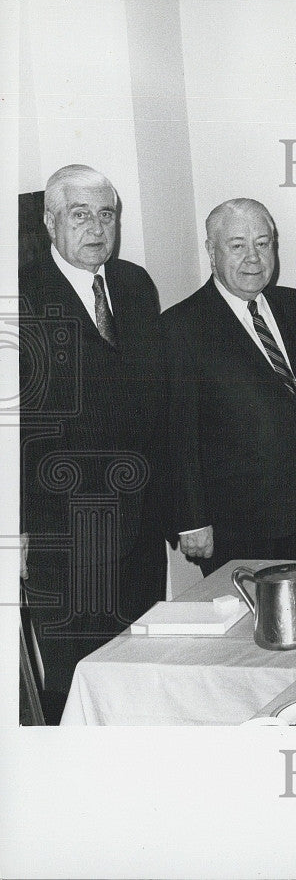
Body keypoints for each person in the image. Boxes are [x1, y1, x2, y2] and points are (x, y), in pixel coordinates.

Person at [19, 164, 167, 723]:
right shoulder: (22, 297)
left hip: (139, 526)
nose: (96, 228)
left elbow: (157, 405)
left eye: (106, 214)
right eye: (80, 215)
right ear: (50, 221)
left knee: (143, 675)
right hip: (64, 533)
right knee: (80, 684)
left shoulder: (134, 285)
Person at [164, 198, 296, 576]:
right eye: (237, 245)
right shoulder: (181, 326)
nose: (254, 258)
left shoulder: (295, 304)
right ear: (211, 250)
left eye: (263, 242)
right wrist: (191, 519)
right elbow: (178, 434)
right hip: (238, 525)